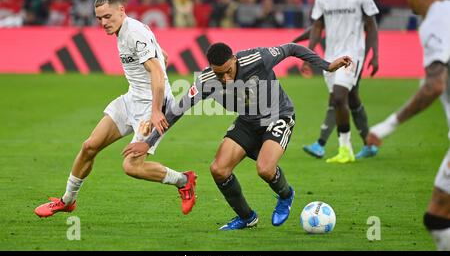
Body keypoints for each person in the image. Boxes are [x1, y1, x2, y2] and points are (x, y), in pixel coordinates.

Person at [123, 42, 352, 230]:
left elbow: (292, 48)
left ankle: (285, 194)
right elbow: (177, 110)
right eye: (218, 74)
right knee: (218, 170)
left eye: (228, 72)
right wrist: (148, 143)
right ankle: (247, 217)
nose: (225, 79)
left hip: (278, 115)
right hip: (247, 122)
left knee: (264, 169)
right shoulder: (205, 81)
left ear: (234, 59)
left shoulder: (258, 58)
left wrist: (327, 65)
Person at [34, 0, 197, 218]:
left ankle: (184, 180)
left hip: (152, 107)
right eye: (99, 18)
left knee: (132, 166)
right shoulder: (126, 30)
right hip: (132, 99)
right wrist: (158, 62)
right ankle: (67, 201)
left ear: (122, 10)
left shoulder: (134, 33)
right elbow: (164, 57)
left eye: (108, 16)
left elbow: (158, 72)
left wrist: (155, 112)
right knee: (90, 146)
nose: (103, 23)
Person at [367, 0, 450, 250]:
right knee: (439, 213)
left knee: (437, 216)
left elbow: (434, 86)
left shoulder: (434, 23)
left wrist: (387, 126)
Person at [296, 0, 379, 163]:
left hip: (353, 54)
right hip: (330, 57)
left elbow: (372, 26)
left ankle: (344, 148)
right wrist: (308, 54)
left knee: (339, 97)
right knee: (351, 99)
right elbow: (317, 26)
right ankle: (368, 144)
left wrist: (375, 55)